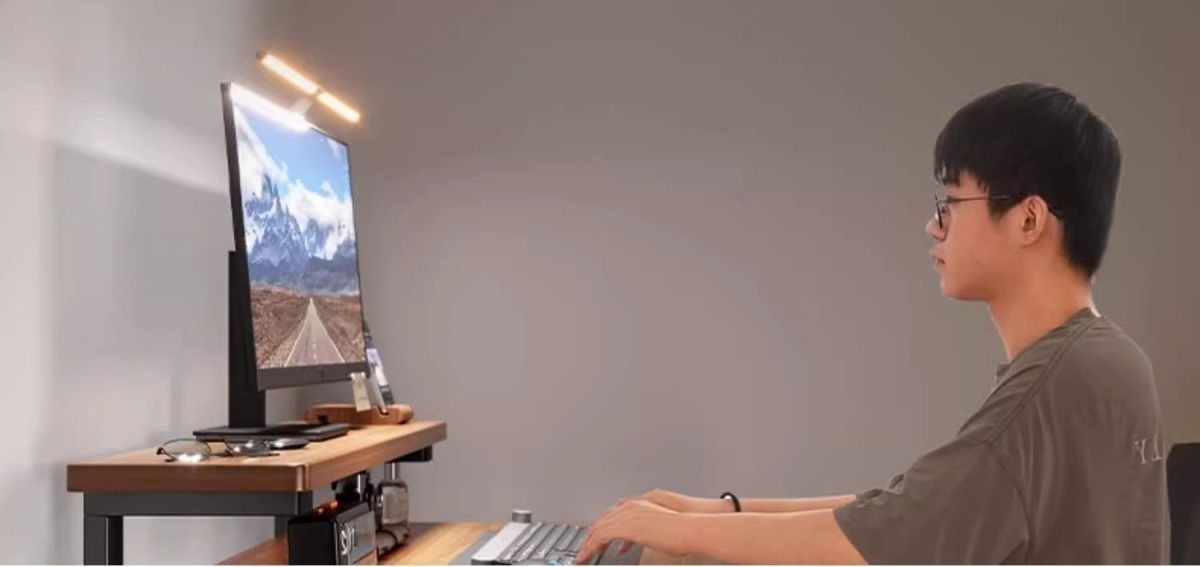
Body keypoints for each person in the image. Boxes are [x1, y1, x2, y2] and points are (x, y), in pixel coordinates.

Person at [576, 82, 1167, 564]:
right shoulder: (1107, 361)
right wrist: (720, 513)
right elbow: (903, 512)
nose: (934, 226)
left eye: (950, 203)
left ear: (1028, 220)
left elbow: (885, 542)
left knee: (670, 560)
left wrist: (680, 533)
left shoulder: (1054, 384)